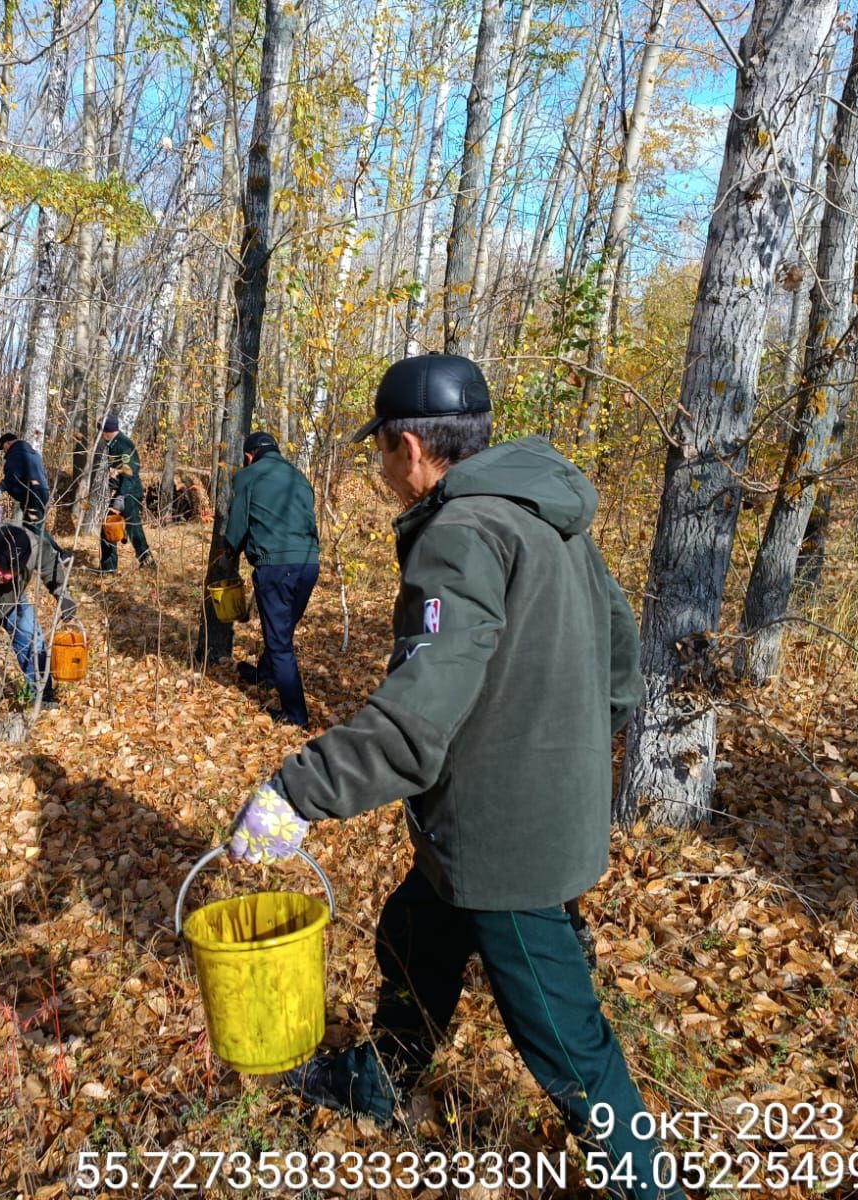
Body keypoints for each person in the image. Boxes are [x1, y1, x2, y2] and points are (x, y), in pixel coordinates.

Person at [225, 353, 673, 1200]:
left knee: (568, 1042)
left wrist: (294, 792)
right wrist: (567, 751)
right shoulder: (546, 515)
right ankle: (378, 1084)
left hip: (508, 844)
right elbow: (621, 661)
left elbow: (416, 718)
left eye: (382, 453)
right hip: (500, 819)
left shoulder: (462, 534)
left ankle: (649, 1185)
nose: (383, 470)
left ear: (411, 448)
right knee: (415, 934)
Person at [223, 430, 319, 728]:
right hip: (309, 563)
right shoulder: (298, 478)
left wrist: (228, 552)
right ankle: (264, 675)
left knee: (279, 642)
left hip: (277, 567)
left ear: (250, 456)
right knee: (282, 628)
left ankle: (295, 715)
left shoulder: (248, 476)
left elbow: (238, 524)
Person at [0, 432, 77, 622]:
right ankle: (57, 554)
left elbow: (13, 475)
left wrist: (1, 488)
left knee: (34, 529)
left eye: (3, 447)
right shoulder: (31, 452)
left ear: (7, 443)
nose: (4, 451)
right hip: (40, 492)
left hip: (32, 494)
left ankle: (60, 555)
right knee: (32, 527)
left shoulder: (17, 452)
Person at [0, 523, 60, 708]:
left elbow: (49, 559)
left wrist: (62, 594)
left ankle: (42, 696)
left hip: (12, 600)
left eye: (11, 571)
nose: (6, 576)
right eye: (1, 569)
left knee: (31, 638)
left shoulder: (30, 547)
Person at [97, 415, 155, 571]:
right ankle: (108, 567)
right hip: (120, 493)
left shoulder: (124, 445)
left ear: (107, 431)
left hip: (128, 494)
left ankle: (148, 563)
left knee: (134, 530)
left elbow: (130, 474)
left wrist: (119, 501)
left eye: (101, 430)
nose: (100, 434)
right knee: (108, 528)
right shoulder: (113, 443)